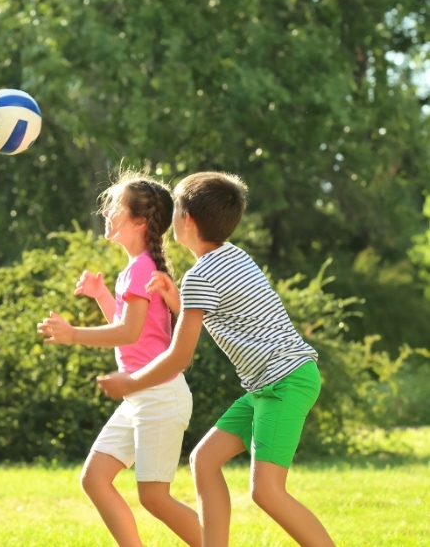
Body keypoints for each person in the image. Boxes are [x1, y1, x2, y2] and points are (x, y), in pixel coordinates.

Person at [98, 171, 336, 547]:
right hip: (272, 384)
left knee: (267, 492)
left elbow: (179, 355)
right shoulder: (231, 257)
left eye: (174, 208)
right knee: (205, 460)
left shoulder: (201, 277)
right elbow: (221, 316)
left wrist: (131, 382)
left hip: (284, 383)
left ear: (186, 220)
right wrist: (177, 297)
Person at [37, 171, 200, 547]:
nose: (105, 211)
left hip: (159, 395)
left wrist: (74, 334)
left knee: (154, 497)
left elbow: (128, 333)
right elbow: (130, 328)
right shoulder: (135, 268)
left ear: (139, 221)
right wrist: (100, 295)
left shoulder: (141, 267)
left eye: (114, 206)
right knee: (95, 478)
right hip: (140, 397)